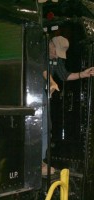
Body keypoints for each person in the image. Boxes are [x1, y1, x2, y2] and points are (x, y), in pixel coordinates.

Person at [42, 35, 94, 175]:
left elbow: (64, 75)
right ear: (50, 45)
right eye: (55, 52)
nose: (55, 55)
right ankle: (38, 163)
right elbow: (43, 70)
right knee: (41, 127)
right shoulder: (39, 50)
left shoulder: (56, 59)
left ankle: (40, 160)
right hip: (31, 91)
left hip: (43, 94)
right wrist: (52, 83)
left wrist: (82, 74)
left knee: (47, 127)